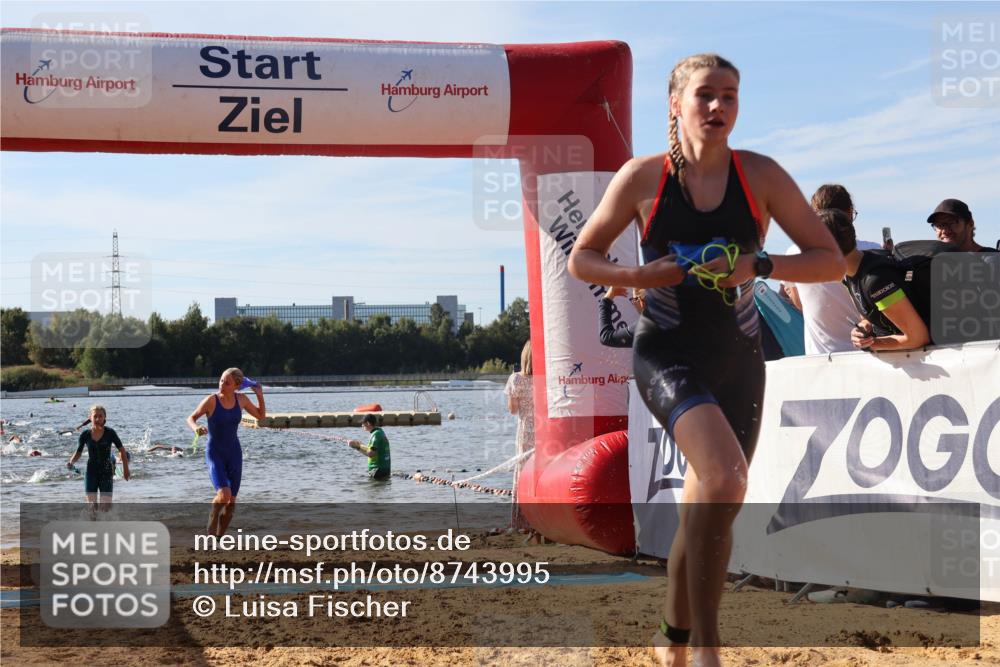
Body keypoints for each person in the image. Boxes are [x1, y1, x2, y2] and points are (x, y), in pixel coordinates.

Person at [566, 53, 844, 666]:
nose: (719, 107)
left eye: (730, 96)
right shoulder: (644, 178)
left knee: (713, 503)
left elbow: (830, 260)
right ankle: (708, 650)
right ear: (676, 103)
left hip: (740, 358)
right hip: (666, 352)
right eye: (705, 96)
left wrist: (760, 265)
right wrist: (638, 273)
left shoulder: (761, 175)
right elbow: (582, 259)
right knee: (722, 477)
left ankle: (670, 638)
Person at [784, 184, 881, 355]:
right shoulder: (874, 251)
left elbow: (800, 304)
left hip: (820, 359)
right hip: (871, 353)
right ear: (849, 213)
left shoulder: (794, 254)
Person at [821, 209, 932, 351]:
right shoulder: (851, 272)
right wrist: (863, 329)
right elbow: (870, 315)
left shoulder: (876, 281)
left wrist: (871, 344)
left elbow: (918, 337)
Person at [187, 368, 265, 536]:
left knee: (231, 504)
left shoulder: (242, 399)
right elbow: (191, 418)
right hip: (215, 452)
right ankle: (212, 517)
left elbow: (260, 416)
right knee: (224, 494)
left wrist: (259, 394)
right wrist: (197, 428)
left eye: (227, 382)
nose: (222, 384)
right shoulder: (211, 400)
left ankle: (219, 538)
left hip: (234, 453)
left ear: (236, 386)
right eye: (221, 380)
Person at [67, 405, 130, 509]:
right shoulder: (85, 434)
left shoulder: (110, 433)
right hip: (91, 472)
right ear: (90, 417)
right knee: (92, 508)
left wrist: (126, 470)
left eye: (100, 416)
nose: (97, 419)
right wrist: (71, 462)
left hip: (106, 472)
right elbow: (78, 453)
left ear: (105, 417)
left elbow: (122, 451)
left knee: (106, 508)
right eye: (95, 416)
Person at [504, 341, 536, 535]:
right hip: (546, 432)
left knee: (523, 474)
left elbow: (513, 410)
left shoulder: (516, 379)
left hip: (526, 432)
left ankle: (520, 520)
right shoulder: (547, 379)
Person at [927, 198, 997, 253]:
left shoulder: (993, 261)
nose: (945, 231)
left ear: (970, 223)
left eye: (951, 223)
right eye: (939, 225)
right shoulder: (932, 263)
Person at [347, 414, 391, 480]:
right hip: (384, 469)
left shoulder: (376, 435)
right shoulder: (380, 431)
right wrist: (359, 444)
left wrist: (357, 447)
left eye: (363, 423)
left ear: (368, 423)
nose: (362, 425)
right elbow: (372, 449)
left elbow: (371, 453)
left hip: (377, 470)